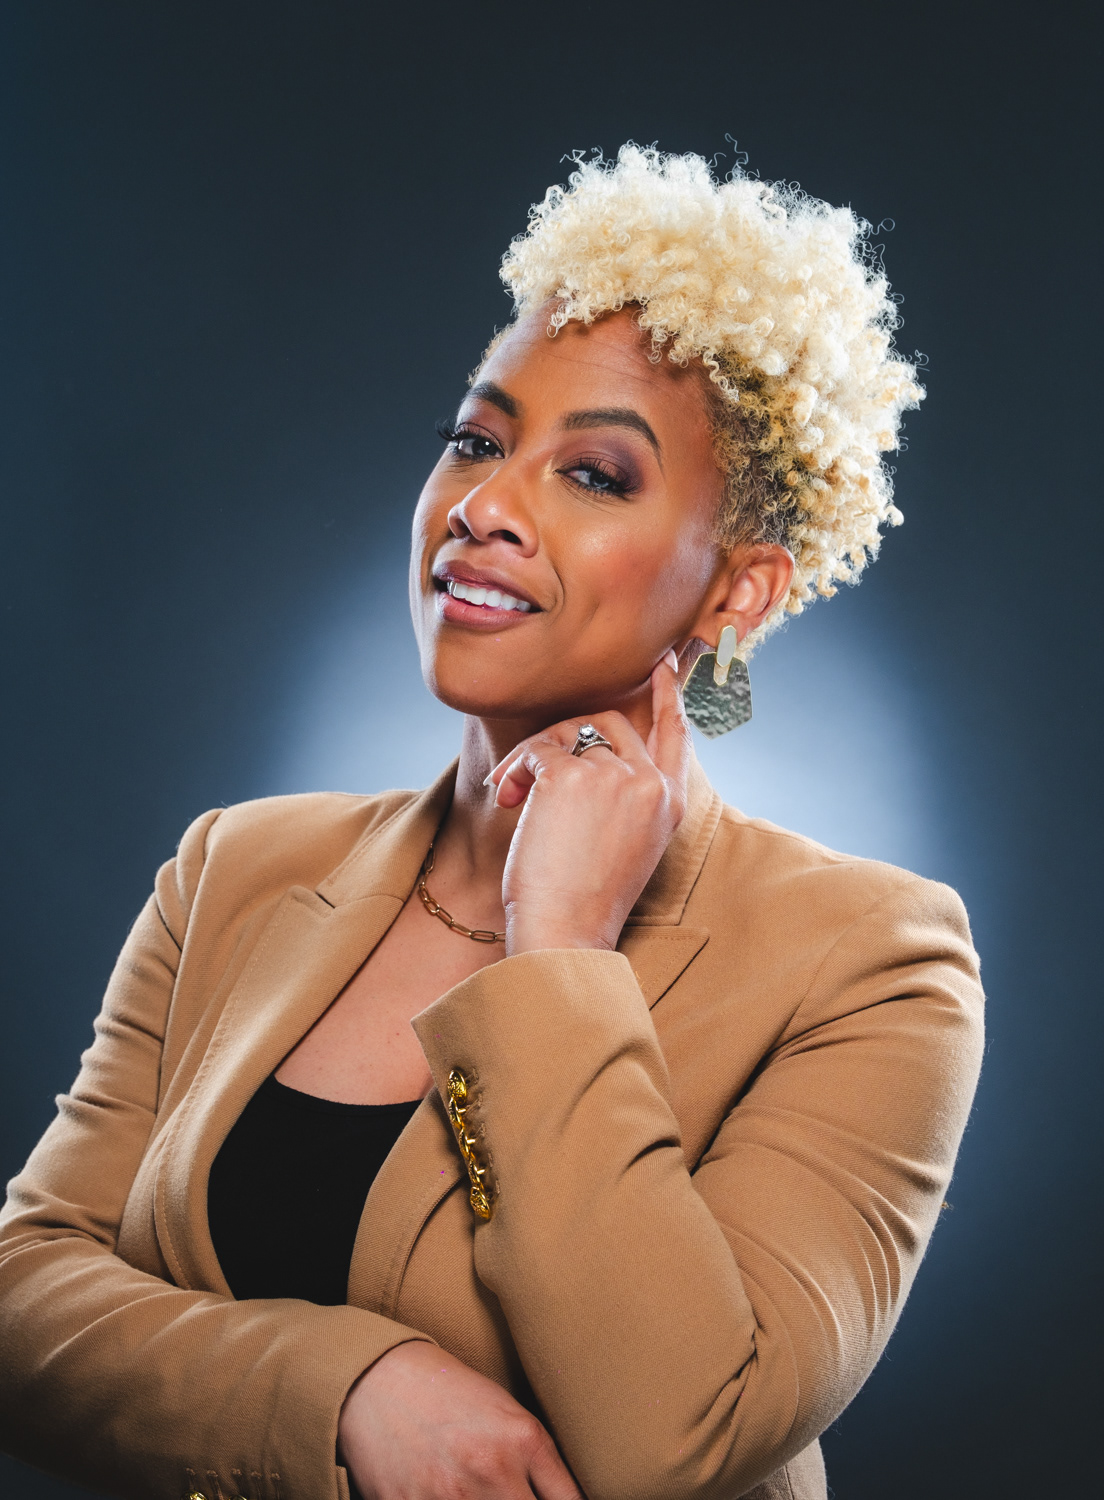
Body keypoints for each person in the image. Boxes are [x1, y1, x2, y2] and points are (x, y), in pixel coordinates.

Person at [0, 145, 983, 1500]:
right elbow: (25, 1292)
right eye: (478, 440)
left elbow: (677, 1432)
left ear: (738, 593)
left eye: (597, 475)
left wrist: (561, 944)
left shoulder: (873, 964)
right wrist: (344, 1389)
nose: (484, 508)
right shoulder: (235, 869)